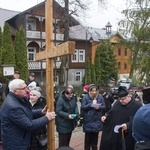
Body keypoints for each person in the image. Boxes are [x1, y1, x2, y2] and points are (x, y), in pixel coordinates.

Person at [1, 79, 56, 150]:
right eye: (23, 88)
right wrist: (47, 118)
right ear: (15, 91)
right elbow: (29, 125)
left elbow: (25, 113)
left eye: (26, 87)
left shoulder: (19, 99)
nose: (27, 90)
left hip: (21, 141)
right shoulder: (12, 106)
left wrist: (41, 112)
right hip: (16, 145)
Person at [100, 86, 142, 150]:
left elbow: (138, 121)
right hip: (115, 136)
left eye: (123, 99)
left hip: (127, 137)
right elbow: (111, 113)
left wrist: (128, 125)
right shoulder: (118, 103)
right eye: (120, 99)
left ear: (129, 96)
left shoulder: (137, 106)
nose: (121, 101)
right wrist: (105, 117)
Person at [81, 84, 106, 150]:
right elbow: (83, 107)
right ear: (89, 91)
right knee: (87, 143)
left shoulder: (100, 97)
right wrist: (91, 105)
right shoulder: (85, 97)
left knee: (95, 143)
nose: (94, 92)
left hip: (97, 121)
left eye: (95, 91)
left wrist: (99, 107)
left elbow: (104, 107)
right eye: (92, 91)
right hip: (88, 121)